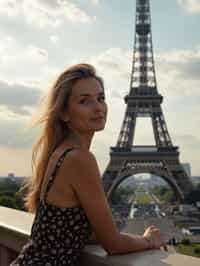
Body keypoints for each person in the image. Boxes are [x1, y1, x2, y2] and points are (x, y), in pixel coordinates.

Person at [10, 63, 166, 266]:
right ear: (64, 113)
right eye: (84, 101)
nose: (98, 107)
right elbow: (114, 245)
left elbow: (70, 230)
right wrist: (149, 239)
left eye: (101, 98)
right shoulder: (79, 159)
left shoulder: (61, 153)